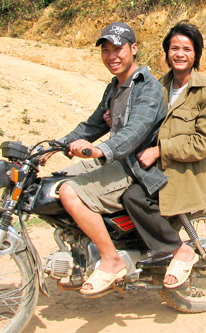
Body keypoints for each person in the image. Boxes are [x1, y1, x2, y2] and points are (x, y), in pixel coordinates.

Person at [49, 22, 167, 296]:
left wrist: (100, 151)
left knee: (70, 192)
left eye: (118, 48)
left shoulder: (147, 87)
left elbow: (134, 132)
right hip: (116, 161)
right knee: (58, 182)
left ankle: (111, 259)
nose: (112, 56)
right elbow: (91, 127)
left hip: (136, 166)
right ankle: (81, 257)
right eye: (106, 50)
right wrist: (55, 146)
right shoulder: (114, 87)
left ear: (133, 49)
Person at [121, 20, 206, 289]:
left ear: (196, 54)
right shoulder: (157, 86)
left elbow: (203, 141)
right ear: (166, 52)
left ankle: (178, 250)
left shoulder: (205, 90)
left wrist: (160, 150)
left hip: (185, 170)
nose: (180, 54)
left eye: (187, 49)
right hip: (154, 166)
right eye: (174, 48)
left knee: (134, 197)